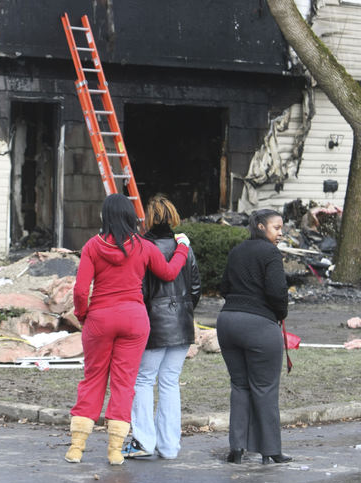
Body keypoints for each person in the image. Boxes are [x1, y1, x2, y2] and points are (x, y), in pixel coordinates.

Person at [65, 193, 191, 466]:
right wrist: (182, 248)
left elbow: (79, 289)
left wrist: (82, 314)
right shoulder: (143, 247)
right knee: (124, 383)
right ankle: (114, 450)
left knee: (93, 379)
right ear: (132, 217)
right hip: (135, 320)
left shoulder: (92, 246)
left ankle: (77, 447)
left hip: (100, 318)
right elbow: (169, 273)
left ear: (104, 216)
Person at [122, 194, 201, 460]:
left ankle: (143, 441)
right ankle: (169, 446)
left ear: (149, 217)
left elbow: (138, 289)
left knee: (143, 380)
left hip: (151, 325)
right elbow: (195, 289)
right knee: (170, 382)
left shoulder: (140, 246)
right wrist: (184, 311)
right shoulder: (184, 247)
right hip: (181, 324)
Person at [216, 208, 291, 465]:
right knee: (265, 388)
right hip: (258, 325)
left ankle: (236, 449)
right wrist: (280, 313)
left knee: (240, 385)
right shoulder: (270, 252)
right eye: (277, 227)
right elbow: (277, 292)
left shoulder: (237, 251)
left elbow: (224, 286)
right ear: (260, 227)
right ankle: (270, 450)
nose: (281, 233)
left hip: (227, 323)